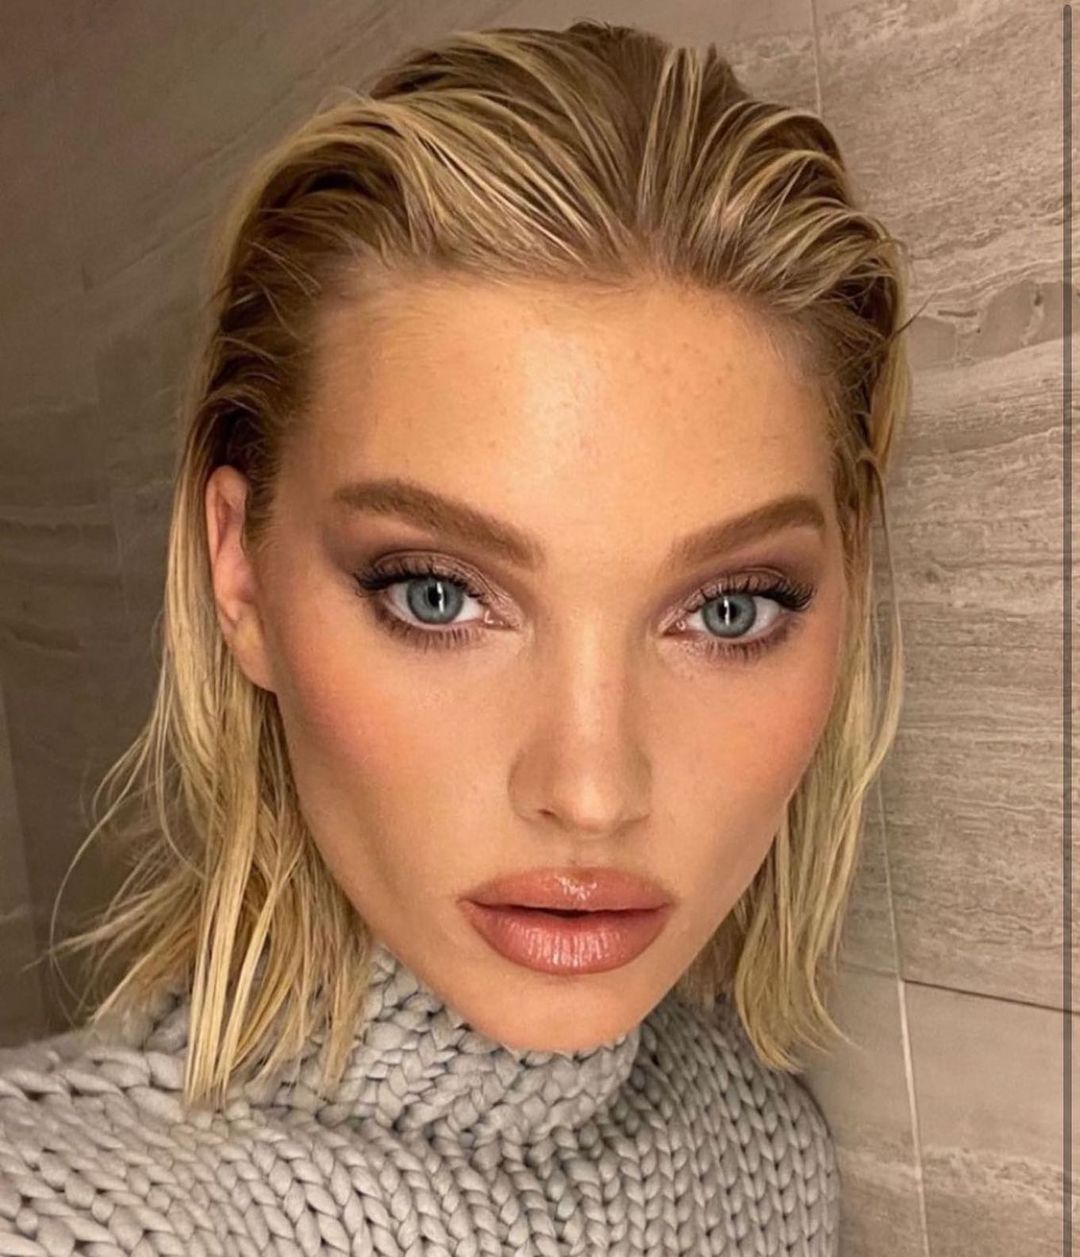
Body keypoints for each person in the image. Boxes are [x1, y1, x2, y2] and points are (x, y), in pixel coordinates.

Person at [0, 18, 911, 1256]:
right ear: (240, 575)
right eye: (435, 594)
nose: (591, 792)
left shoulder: (771, 1155)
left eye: (730, 609)